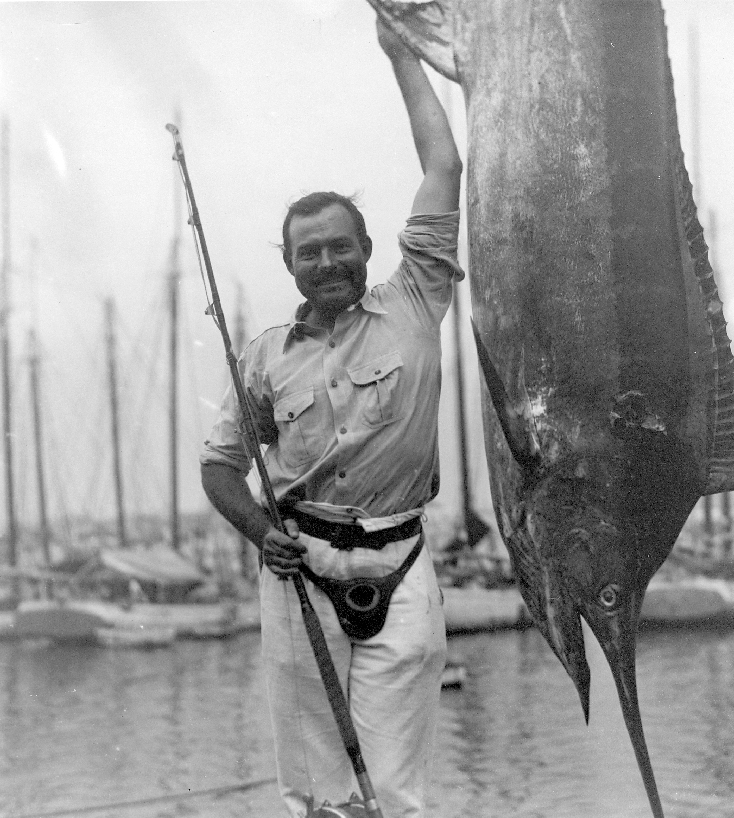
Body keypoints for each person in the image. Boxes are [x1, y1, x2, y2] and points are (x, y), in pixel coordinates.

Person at [199, 17, 463, 818]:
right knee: (315, 794)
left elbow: (444, 164)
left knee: (394, 794)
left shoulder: (417, 299)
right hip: (297, 576)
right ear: (289, 264)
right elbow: (219, 467)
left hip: (401, 564)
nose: (328, 263)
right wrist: (260, 532)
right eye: (309, 252)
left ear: (369, 248)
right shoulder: (262, 355)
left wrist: (401, 56)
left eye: (341, 247)